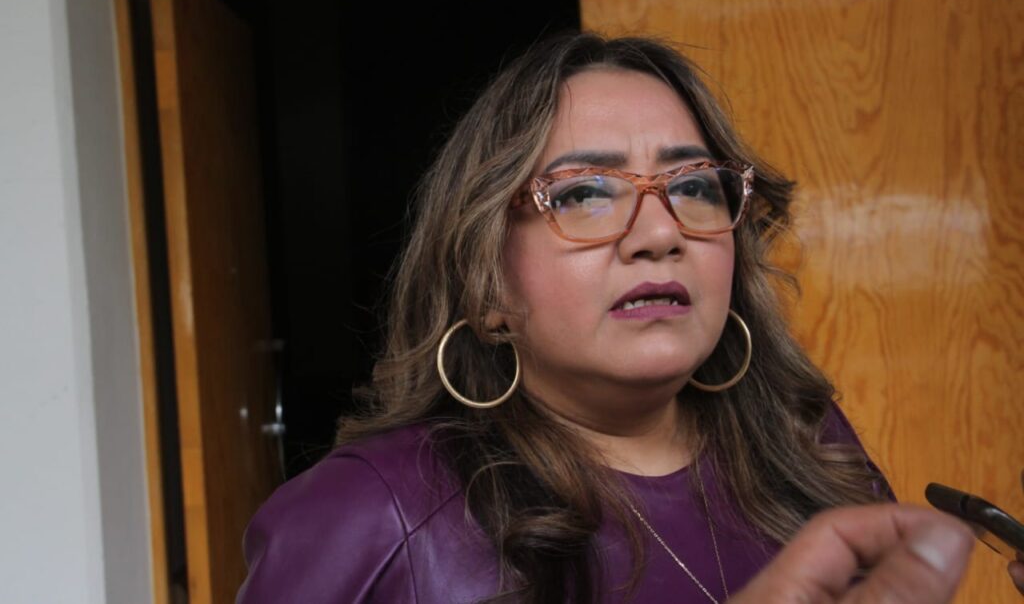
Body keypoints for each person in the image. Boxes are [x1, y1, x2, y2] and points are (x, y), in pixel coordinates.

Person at [235, 32, 1014, 603]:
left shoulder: (810, 449)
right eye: (583, 193)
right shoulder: (370, 515)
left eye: (695, 186)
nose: (660, 233)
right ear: (483, 279)